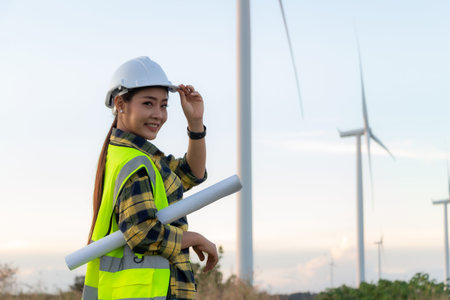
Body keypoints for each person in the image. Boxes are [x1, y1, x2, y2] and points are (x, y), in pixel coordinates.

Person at [82, 56, 218, 300]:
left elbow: (191, 174)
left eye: (164, 105)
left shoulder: (137, 157)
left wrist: (195, 123)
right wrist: (195, 238)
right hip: (147, 292)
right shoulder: (134, 163)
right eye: (148, 104)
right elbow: (142, 232)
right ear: (120, 104)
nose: (158, 114)